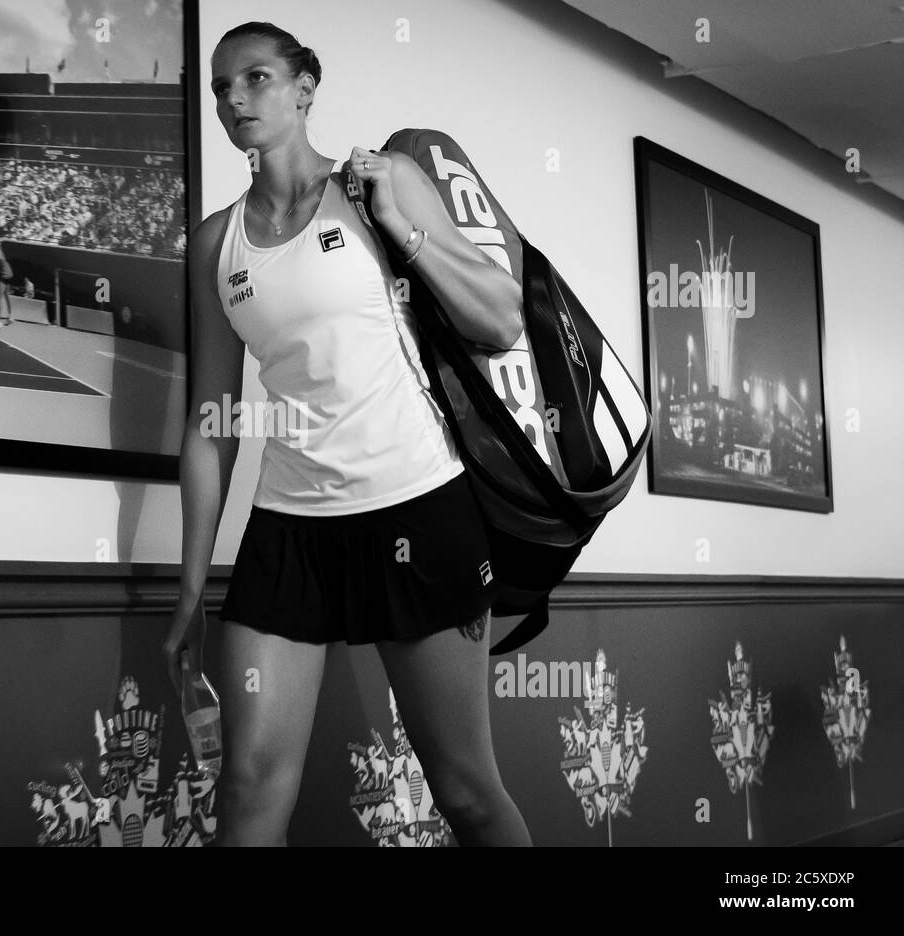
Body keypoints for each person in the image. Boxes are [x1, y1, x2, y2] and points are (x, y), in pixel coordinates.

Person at [163, 21, 532, 847]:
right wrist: (192, 586)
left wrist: (403, 225)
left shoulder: (378, 181)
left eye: (254, 78)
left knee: (466, 792)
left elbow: (501, 319)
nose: (234, 99)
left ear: (304, 89)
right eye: (221, 88)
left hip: (415, 507)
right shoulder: (214, 244)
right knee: (249, 783)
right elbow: (210, 421)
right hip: (290, 530)